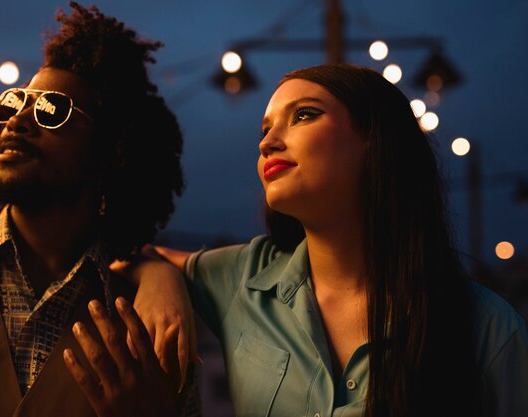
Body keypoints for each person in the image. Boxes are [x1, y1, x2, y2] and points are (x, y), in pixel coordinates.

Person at [127, 64, 528, 417]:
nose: (267, 143)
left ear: (375, 138)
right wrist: (161, 283)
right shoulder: (245, 277)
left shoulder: (487, 329)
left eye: (303, 115)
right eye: (264, 130)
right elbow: (132, 254)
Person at [0, 3, 199, 417]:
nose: (18, 120)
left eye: (53, 110)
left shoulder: (148, 326)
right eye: (14, 102)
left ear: (112, 151)